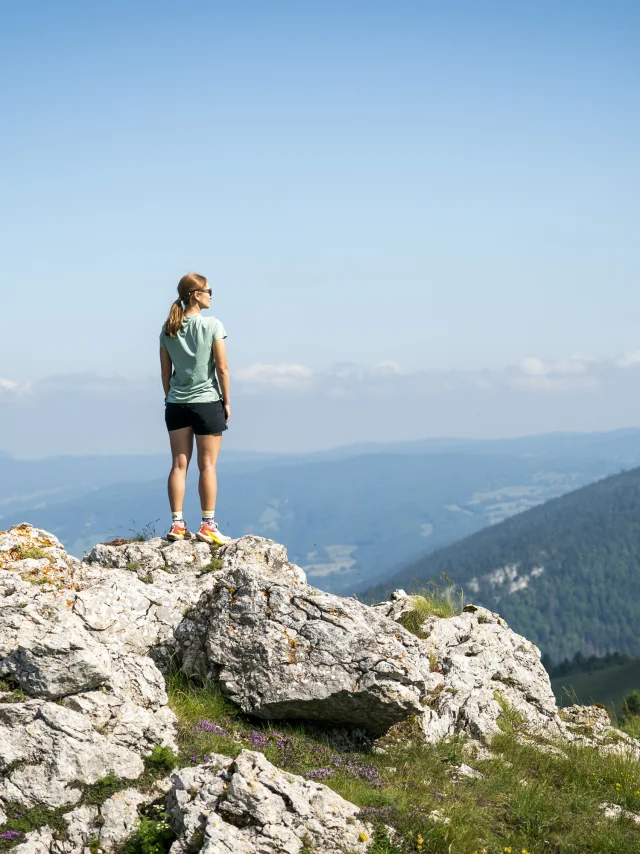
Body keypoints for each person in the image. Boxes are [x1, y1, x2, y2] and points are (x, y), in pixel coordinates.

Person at [159, 273, 232, 545]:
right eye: (209, 290)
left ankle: (177, 524)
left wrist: (171, 398)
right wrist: (226, 401)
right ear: (196, 295)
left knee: (179, 465)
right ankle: (208, 526)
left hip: (176, 404)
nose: (212, 295)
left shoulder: (168, 329)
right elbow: (222, 368)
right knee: (208, 466)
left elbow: (165, 373)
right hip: (207, 402)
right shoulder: (212, 325)